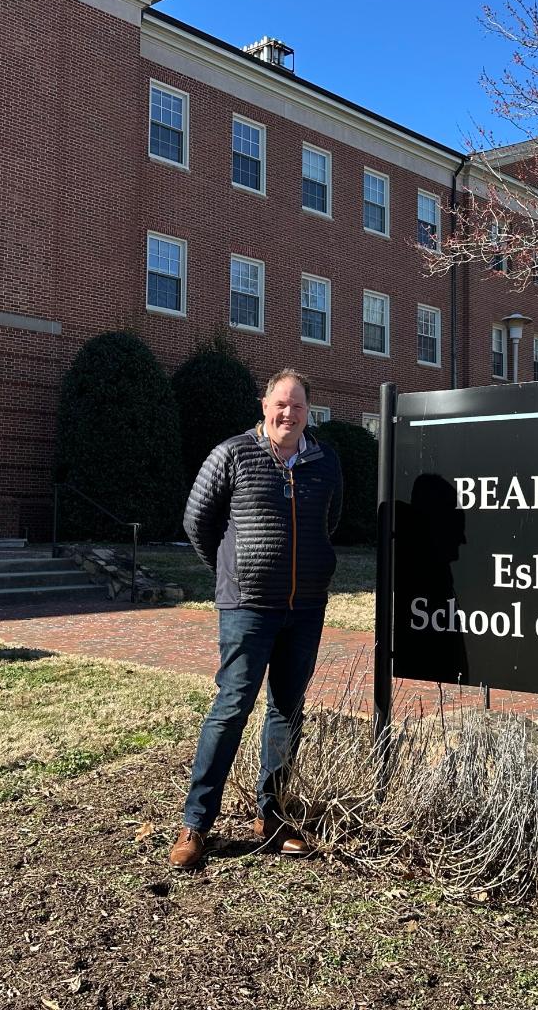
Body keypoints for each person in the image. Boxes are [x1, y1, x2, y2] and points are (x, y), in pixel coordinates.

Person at [169, 368, 343, 870]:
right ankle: (195, 824)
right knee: (231, 709)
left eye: (299, 406)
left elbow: (329, 520)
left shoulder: (325, 460)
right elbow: (197, 521)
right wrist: (234, 571)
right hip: (247, 606)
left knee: (287, 712)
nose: (289, 414)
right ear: (265, 406)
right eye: (281, 405)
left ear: (309, 412)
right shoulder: (233, 454)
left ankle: (274, 816)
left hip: (306, 607)